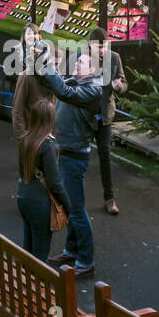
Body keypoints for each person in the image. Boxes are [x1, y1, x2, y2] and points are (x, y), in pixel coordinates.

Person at [46, 49, 105, 278]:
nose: (77, 63)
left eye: (82, 62)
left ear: (92, 69)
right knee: (68, 205)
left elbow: (62, 91)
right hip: (65, 151)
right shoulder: (77, 82)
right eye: (77, 60)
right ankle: (71, 250)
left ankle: (86, 261)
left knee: (76, 209)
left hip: (74, 155)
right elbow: (60, 86)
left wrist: (47, 65)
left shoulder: (92, 89)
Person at [17, 98, 72, 264]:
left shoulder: (25, 139)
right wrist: (68, 206)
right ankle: (35, 281)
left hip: (23, 198)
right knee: (40, 255)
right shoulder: (48, 145)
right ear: (51, 119)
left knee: (28, 249)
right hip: (40, 203)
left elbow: (22, 171)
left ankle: (24, 278)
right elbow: (55, 184)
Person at [89, 28, 128, 215]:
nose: (102, 50)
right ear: (90, 45)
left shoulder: (114, 57)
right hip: (85, 115)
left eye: (104, 46)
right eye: (98, 47)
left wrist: (119, 87)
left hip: (105, 115)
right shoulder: (81, 58)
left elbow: (124, 83)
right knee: (76, 155)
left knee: (105, 155)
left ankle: (109, 199)